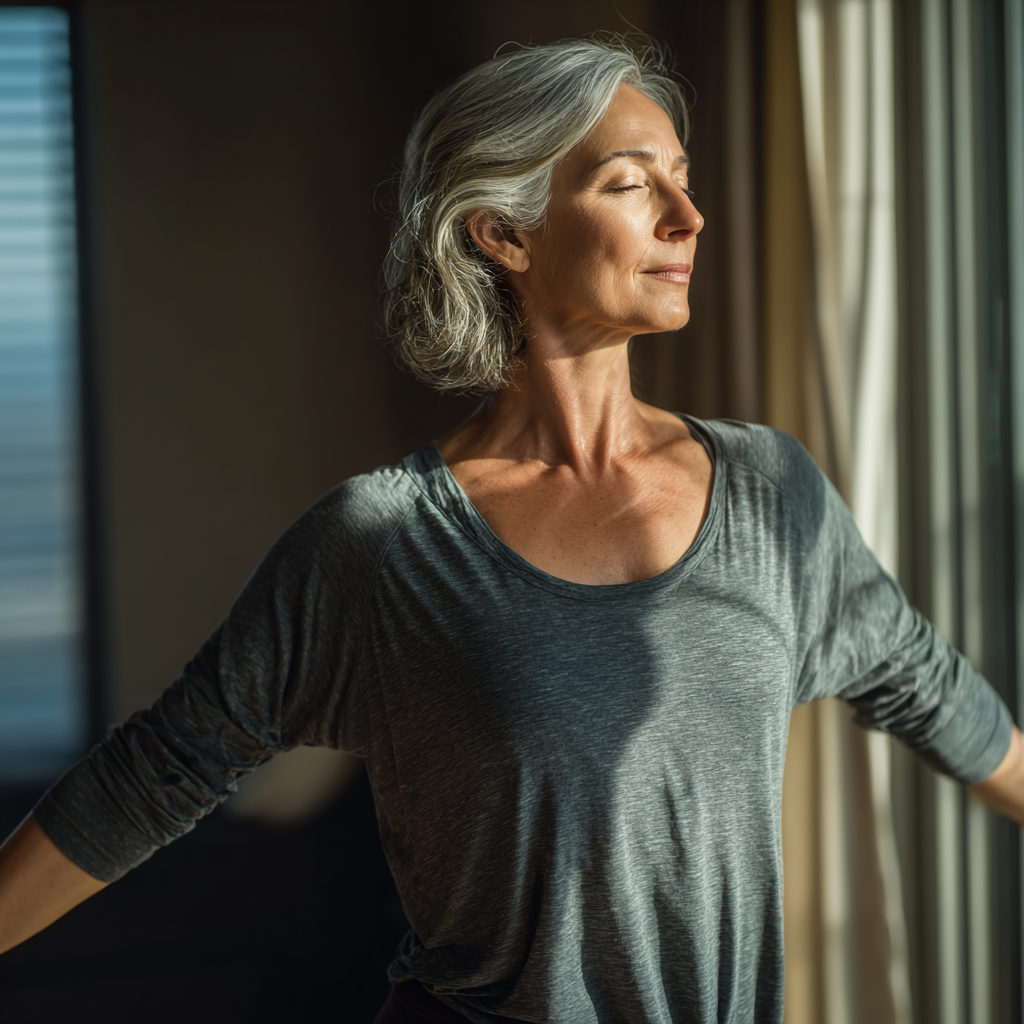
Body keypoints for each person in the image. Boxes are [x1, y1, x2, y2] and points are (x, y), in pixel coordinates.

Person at [0, 35, 1021, 1024]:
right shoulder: (380, 544)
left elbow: (931, 692)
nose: (690, 216)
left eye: (683, 177)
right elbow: (157, 770)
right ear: (506, 232)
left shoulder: (772, 493)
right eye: (630, 183)